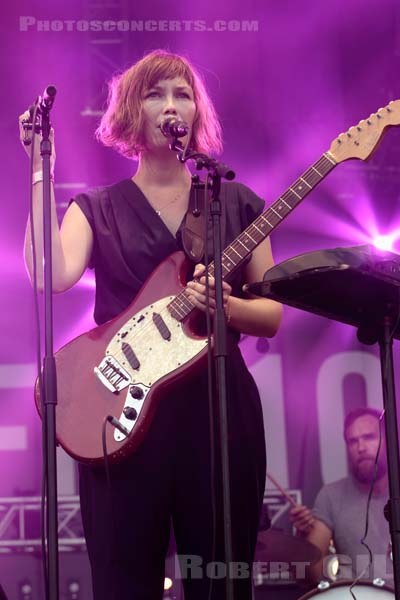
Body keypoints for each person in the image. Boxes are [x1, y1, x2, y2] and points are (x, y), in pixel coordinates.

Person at [20, 50, 283, 600]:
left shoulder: (232, 202)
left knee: (221, 579)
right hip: (120, 417)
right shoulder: (98, 207)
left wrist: (225, 307)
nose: (170, 105)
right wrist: (40, 168)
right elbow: (51, 273)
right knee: (124, 581)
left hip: (218, 412)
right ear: (129, 113)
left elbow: (272, 315)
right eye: (155, 94)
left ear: (197, 112)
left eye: (182, 93)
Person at [290, 407, 392, 586]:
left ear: (388, 440)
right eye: (353, 441)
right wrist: (301, 539)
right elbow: (309, 574)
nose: (361, 447)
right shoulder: (331, 495)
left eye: (369, 437)